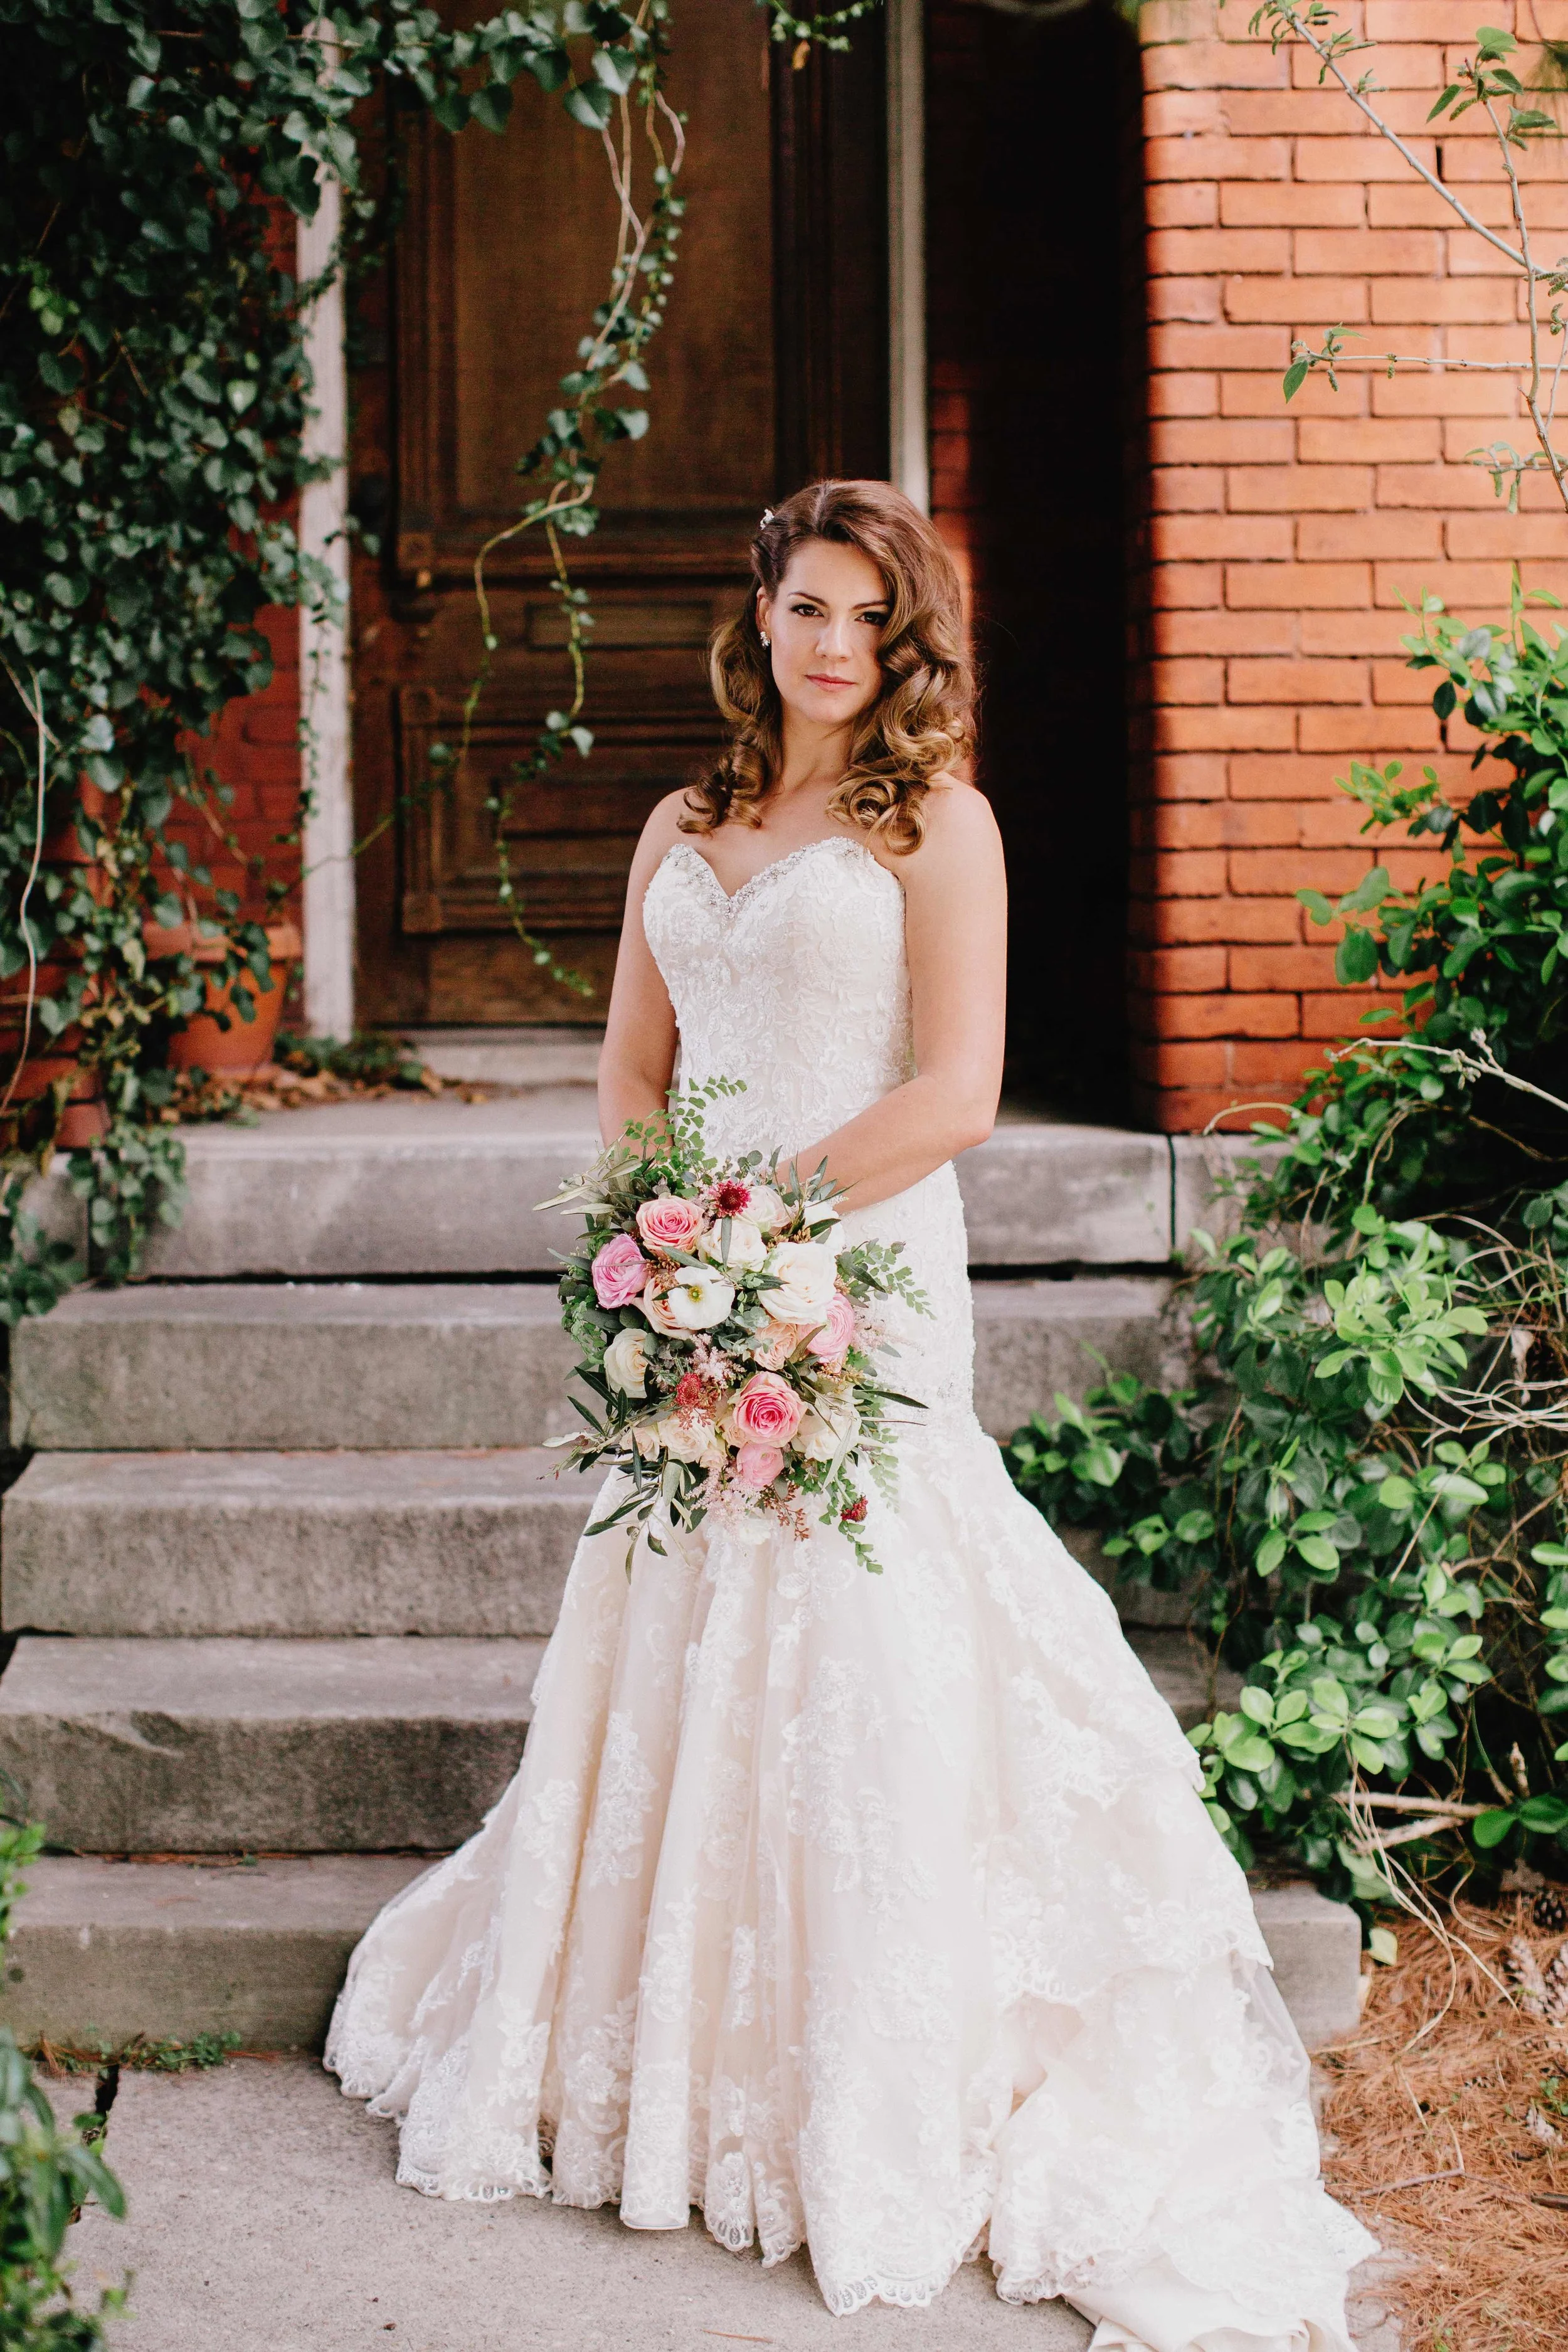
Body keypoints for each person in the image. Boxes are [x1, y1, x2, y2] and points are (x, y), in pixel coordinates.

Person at [327, 479, 1374, 2348]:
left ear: (904, 647)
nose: (831, 646)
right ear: (759, 613)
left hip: (860, 1270)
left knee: (861, 1621)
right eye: (807, 607)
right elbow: (634, 1062)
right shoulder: (684, 815)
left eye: (867, 623)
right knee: (684, 1602)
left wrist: (762, 1222)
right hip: (700, 1284)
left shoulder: (935, 824)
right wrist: (661, 1250)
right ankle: (653, 2040)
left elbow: (960, 1088)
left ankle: (875, 2058)